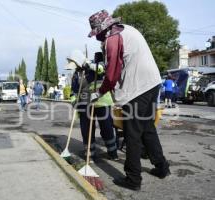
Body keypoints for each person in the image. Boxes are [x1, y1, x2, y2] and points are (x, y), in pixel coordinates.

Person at [88, 10, 170, 190]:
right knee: (147, 127)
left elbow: (111, 74)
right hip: (152, 82)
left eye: (97, 33)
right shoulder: (128, 30)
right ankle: (162, 167)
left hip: (137, 89)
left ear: (103, 29)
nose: (97, 38)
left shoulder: (112, 38)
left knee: (132, 133)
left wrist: (100, 92)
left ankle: (133, 179)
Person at [66, 49, 119, 161]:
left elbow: (101, 69)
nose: (75, 67)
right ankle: (90, 152)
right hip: (84, 104)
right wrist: (74, 101)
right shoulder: (76, 74)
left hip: (101, 100)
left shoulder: (95, 64)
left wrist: (88, 65)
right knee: (86, 130)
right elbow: (73, 91)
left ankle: (112, 151)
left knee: (106, 128)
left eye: (76, 64)